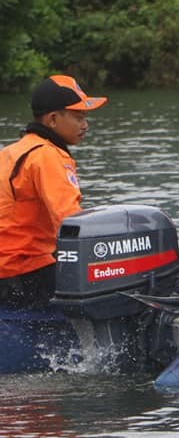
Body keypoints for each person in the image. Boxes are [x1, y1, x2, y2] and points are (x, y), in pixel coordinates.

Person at [0, 75, 108, 309]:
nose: (85, 125)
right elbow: (71, 223)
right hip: (28, 275)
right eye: (78, 117)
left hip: (7, 274)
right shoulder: (50, 156)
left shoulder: (11, 152)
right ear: (52, 119)